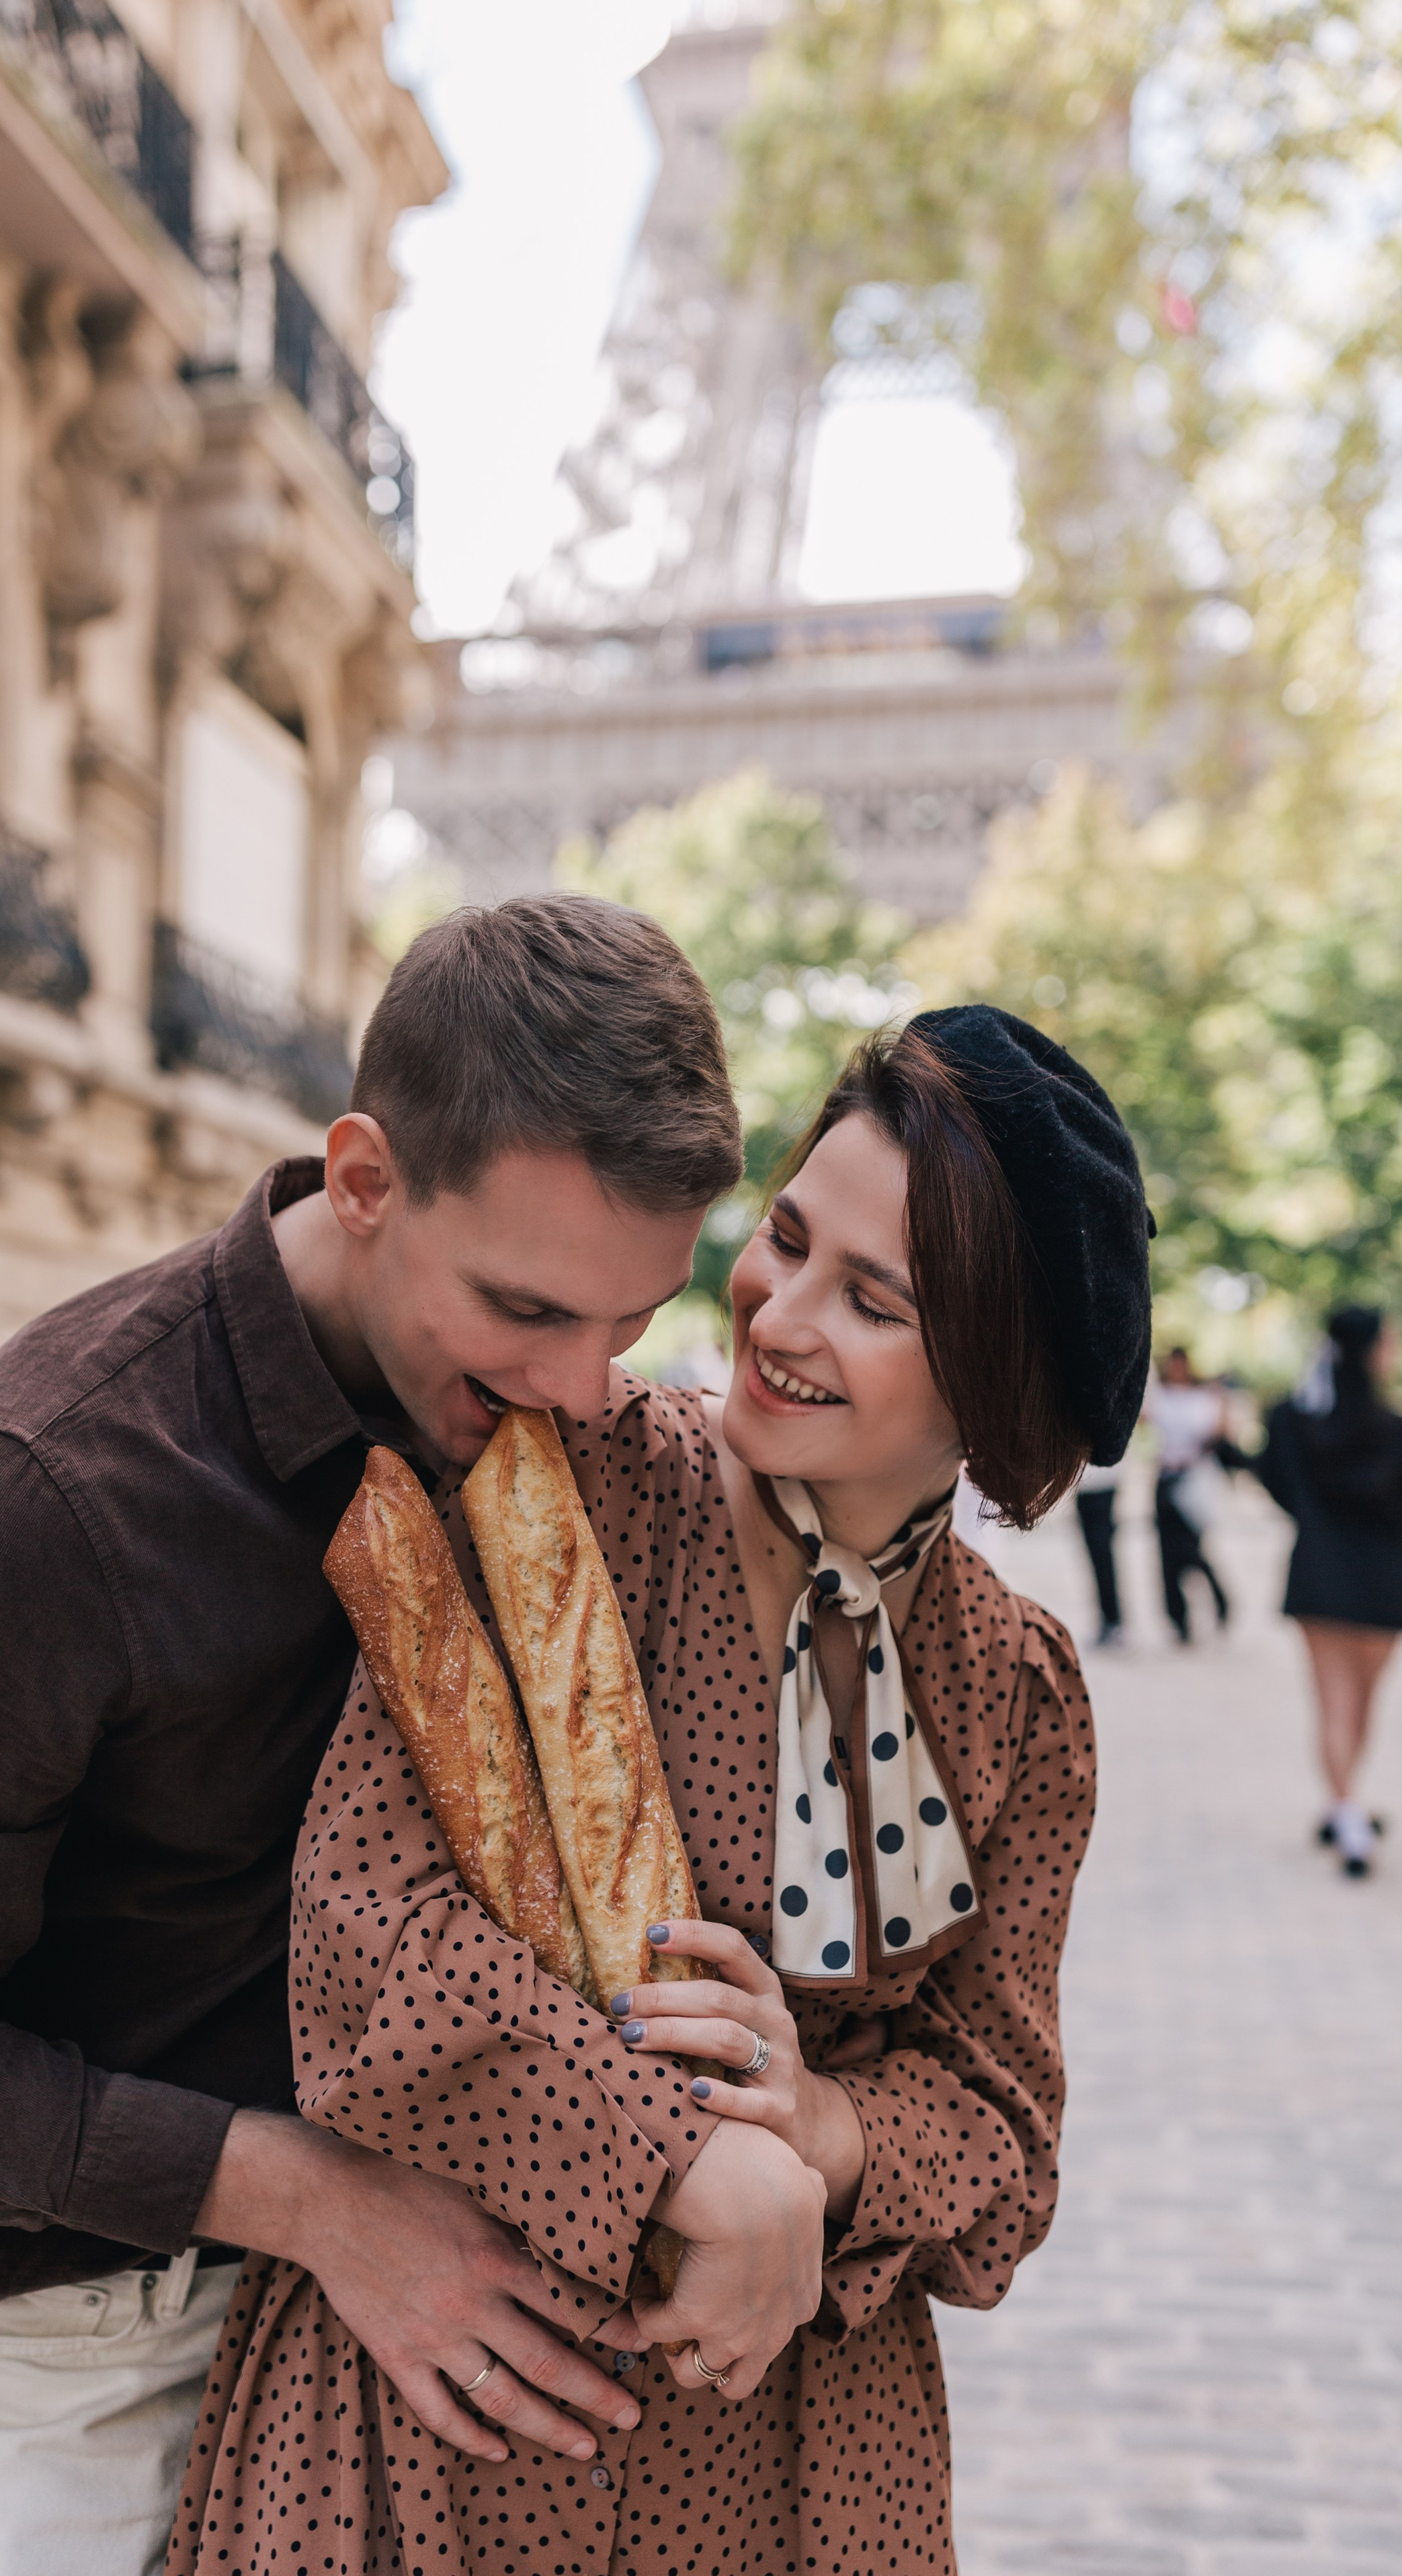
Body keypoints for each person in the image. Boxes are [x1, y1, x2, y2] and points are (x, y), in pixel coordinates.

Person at [0, 896, 782, 2576]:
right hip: (57, 2379)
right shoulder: (32, 1502)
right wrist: (309, 2197)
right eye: (525, 1308)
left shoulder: (548, 1426)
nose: (586, 1390)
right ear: (361, 1179)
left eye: (628, 1322)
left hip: (399, 2353)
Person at [171, 1005, 1155, 2576]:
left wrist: (824, 2134)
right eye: (783, 1236)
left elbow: (1001, 2132)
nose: (774, 1310)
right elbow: (365, 1922)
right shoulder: (561, 1479)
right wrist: (687, 2154)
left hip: (797, 2464)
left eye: (873, 1298)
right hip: (455, 2404)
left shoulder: (1015, 1691)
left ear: (987, 1385)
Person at [1251, 1305, 1402, 1877]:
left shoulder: (1293, 1418)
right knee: (1363, 1705)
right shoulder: (1393, 1429)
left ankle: (1344, 1806)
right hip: (1385, 1582)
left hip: (1319, 1573)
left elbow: (1275, 1482)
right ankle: (1347, 1808)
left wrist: (1315, 1522)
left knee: (1333, 1703)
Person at [1147, 1347, 1231, 1643]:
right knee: (1166, 1556)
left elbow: (1219, 1434)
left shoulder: (1203, 1399)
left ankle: (1220, 1599)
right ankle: (1179, 1619)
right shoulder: (1161, 1397)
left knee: (1192, 1551)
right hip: (1166, 1479)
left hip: (1192, 1481)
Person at [1074, 1459, 1124, 1645]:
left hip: (1099, 1484)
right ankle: (1110, 1619)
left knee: (1102, 1557)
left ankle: (1113, 1621)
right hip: (1090, 1485)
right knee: (1098, 1559)